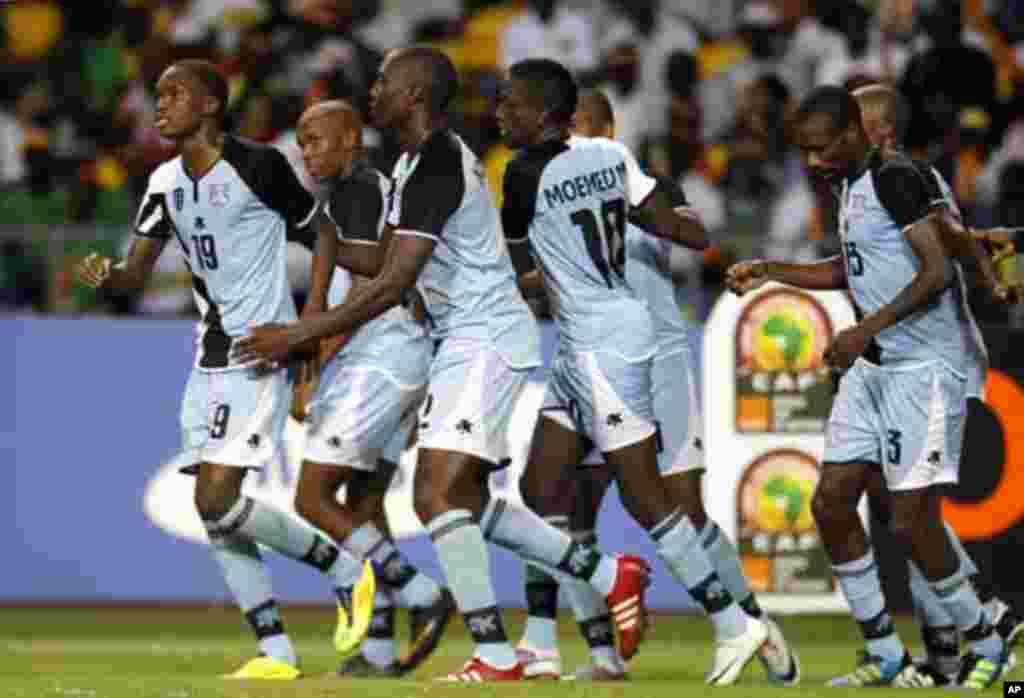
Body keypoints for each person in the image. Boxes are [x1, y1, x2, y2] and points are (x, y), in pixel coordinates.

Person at [233, 46, 651, 683]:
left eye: (382, 82)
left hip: (484, 335)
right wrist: (313, 237)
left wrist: (301, 333)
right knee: (459, 499)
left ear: (413, 96)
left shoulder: (434, 163)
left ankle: (497, 651)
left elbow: (396, 282)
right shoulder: (412, 164)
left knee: (435, 492)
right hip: (463, 339)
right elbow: (385, 262)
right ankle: (599, 581)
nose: (372, 90)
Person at [74, 60, 375, 680]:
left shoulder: (257, 165)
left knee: (215, 496)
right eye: (157, 96)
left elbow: (319, 233)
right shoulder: (162, 181)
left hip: (258, 350)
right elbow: (136, 273)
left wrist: (305, 326)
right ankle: (275, 651)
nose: (160, 106)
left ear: (211, 104)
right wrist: (110, 275)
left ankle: (345, 568)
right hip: (206, 354)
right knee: (213, 509)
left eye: (174, 94)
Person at [497, 60, 773, 686]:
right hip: (591, 338)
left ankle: (733, 624)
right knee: (541, 493)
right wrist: (704, 240)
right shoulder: (608, 154)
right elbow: (671, 224)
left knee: (648, 498)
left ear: (542, 112)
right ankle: (552, 631)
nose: (499, 114)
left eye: (510, 104)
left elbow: (517, 269)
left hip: (600, 343)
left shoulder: (520, 174)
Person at [726, 85, 1008, 690]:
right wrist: (770, 270)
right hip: (876, 365)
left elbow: (935, 272)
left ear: (855, 134)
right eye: (804, 150)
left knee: (909, 521)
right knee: (831, 502)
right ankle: (885, 656)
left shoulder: (896, 179)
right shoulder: (849, 185)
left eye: (822, 148)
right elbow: (849, 268)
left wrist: (863, 329)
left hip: (923, 366)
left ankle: (991, 644)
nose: (812, 161)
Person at [846, 83, 1023, 684]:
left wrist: (990, 273)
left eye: (854, 121)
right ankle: (953, 648)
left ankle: (985, 626)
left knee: (912, 509)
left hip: (929, 359)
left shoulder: (904, 176)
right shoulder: (866, 181)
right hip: (897, 360)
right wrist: (987, 253)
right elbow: (958, 236)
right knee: (909, 509)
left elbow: (945, 241)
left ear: (881, 131)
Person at [289, 99, 456, 678]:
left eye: (316, 140)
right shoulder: (371, 188)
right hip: (408, 352)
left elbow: (367, 291)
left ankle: (421, 594)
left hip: (381, 353)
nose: (307, 152)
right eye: (302, 142)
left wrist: (312, 366)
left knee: (311, 497)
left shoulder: (353, 191)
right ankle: (380, 649)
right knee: (363, 502)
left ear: (350, 140)